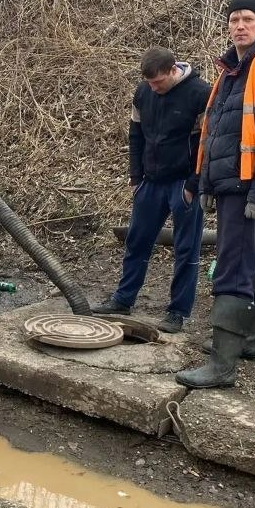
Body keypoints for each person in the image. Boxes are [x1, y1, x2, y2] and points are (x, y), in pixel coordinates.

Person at [176, 0, 255, 389]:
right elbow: (217, 133)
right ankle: (251, 338)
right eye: (233, 20)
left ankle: (222, 366)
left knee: (231, 267)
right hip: (232, 184)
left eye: (247, 18)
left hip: (249, 189)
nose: (240, 26)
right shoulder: (232, 70)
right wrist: (202, 181)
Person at [98, 47, 211, 332]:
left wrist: (193, 185)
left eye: (159, 82)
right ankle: (123, 298)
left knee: (186, 249)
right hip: (149, 181)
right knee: (137, 241)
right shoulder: (143, 92)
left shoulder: (200, 93)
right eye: (150, 83)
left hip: (183, 183)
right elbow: (135, 135)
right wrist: (135, 177)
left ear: (174, 70)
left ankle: (177, 312)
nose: (154, 88)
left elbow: (207, 145)